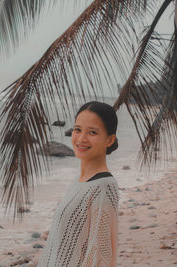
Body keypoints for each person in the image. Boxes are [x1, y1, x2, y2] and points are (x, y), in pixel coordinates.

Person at [37, 101, 120, 267]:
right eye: (77, 129)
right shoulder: (79, 181)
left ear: (109, 140)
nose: (81, 139)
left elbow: (100, 256)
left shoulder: (103, 187)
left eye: (93, 132)